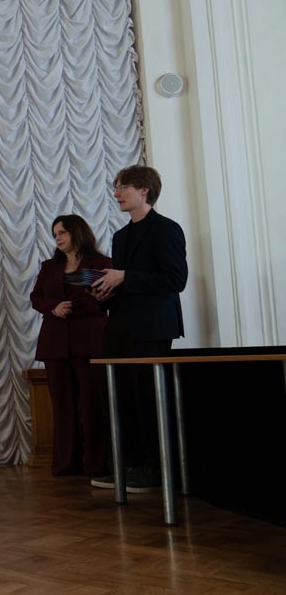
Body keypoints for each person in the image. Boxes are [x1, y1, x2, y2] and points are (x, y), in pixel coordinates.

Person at [89, 166, 187, 493]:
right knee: (117, 396)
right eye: (116, 187)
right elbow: (125, 284)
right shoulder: (121, 236)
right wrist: (105, 291)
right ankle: (129, 465)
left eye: (123, 187)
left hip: (153, 326)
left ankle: (155, 469)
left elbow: (176, 280)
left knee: (148, 399)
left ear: (144, 190)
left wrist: (125, 276)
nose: (116, 193)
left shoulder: (167, 229)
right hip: (121, 324)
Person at [29, 214, 112, 477]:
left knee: (92, 403)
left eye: (62, 232)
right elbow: (36, 297)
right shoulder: (49, 266)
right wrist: (53, 306)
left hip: (90, 340)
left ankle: (97, 463)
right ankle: (66, 463)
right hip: (55, 343)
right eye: (55, 234)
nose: (58, 238)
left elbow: (108, 298)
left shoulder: (102, 263)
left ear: (77, 232)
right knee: (62, 406)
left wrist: (75, 305)